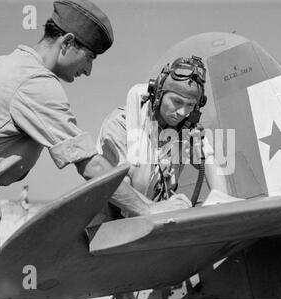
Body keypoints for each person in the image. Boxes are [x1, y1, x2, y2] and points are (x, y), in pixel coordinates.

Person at [0, 0, 189, 299]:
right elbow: (90, 165)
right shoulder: (35, 83)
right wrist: (148, 209)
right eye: (89, 57)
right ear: (67, 42)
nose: (88, 70)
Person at [97, 56, 230, 218]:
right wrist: (158, 208)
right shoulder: (120, 125)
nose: (182, 112)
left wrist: (222, 200)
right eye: (176, 101)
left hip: (157, 219)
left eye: (190, 105)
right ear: (159, 95)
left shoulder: (186, 127)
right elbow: (116, 187)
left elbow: (208, 159)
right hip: (112, 224)